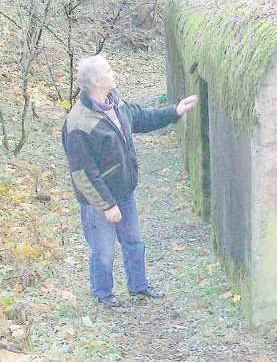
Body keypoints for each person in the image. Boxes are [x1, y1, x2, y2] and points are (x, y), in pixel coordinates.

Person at [62, 54, 198, 307]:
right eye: (109, 70)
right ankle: (103, 294)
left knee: (134, 242)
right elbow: (82, 173)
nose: (114, 73)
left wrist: (175, 111)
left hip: (124, 191)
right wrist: (107, 205)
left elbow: (141, 118)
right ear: (94, 80)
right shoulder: (79, 123)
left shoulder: (116, 103)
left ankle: (138, 286)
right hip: (99, 202)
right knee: (102, 251)